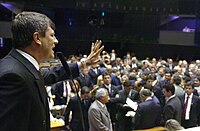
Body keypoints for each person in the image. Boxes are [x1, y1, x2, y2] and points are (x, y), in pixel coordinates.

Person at [0, 11, 103, 131]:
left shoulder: (22, 67)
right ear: (37, 38)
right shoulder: (13, 76)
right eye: (52, 35)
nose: (56, 41)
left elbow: (51, 74)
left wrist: (84, 63)